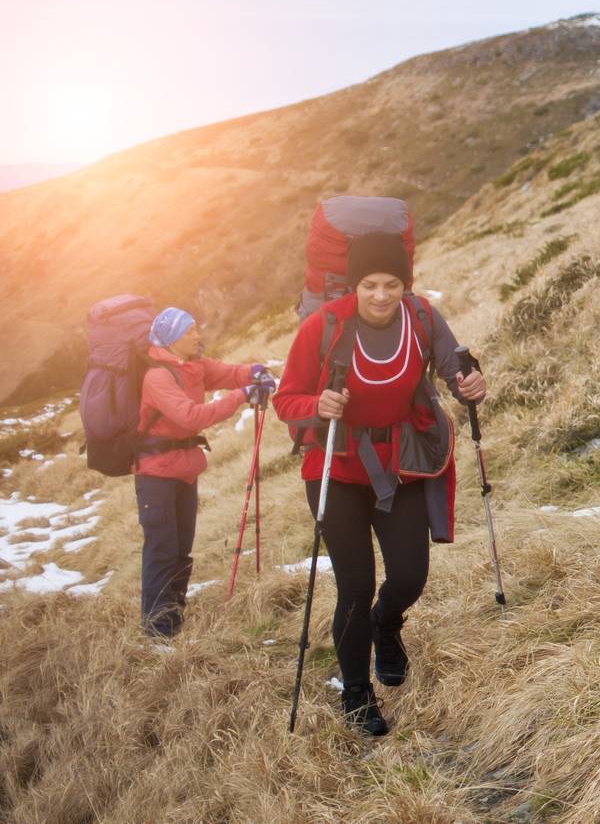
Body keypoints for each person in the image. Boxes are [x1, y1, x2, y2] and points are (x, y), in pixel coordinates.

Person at [273, 231, 485, 737]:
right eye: (369, 284)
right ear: (354, 284)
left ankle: (386, 625)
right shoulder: (323, 326)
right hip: (337, 469)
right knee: (355, 586)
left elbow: (456, 369)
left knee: (410, 575)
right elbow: (287, 399)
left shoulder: (423, 318)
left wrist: (470, 384)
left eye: (392, 283)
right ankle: (355, 691)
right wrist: (316, 406)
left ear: (405, 284)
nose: (382, 295)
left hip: (401, 465)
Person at [132, 307, 275, 638]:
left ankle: (173, 614)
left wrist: (253, 372)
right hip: (155, 473)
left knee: (181, 545)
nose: (197, 335)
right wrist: (243, 396)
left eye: (196, 328)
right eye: (189, 331)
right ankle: (157, 628)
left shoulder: (193, 365)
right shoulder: (157, 377)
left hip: (182, 468)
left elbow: (227, 372)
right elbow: (191, 418)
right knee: (162, 547)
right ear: (171, 340)